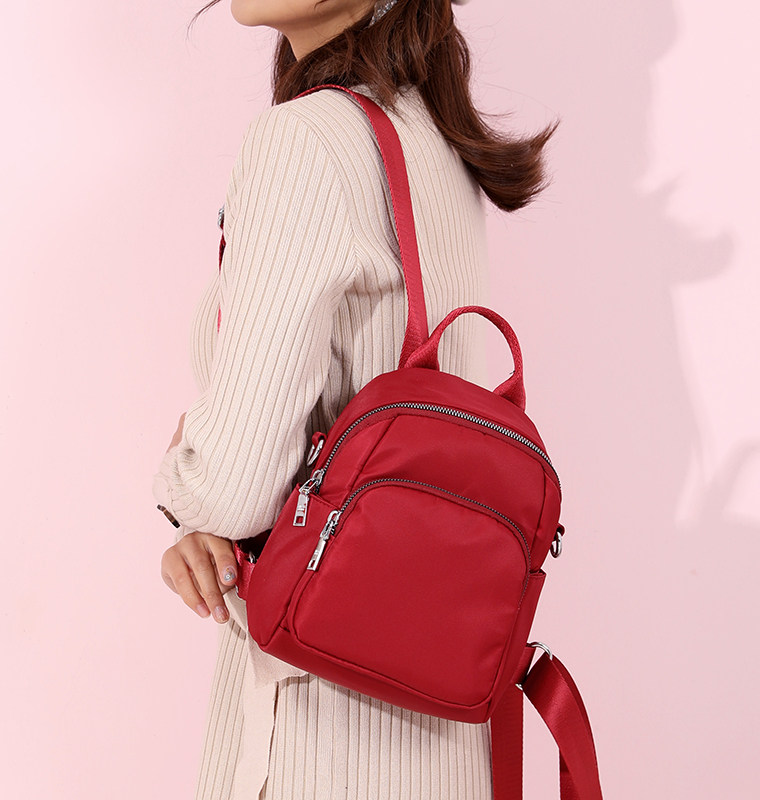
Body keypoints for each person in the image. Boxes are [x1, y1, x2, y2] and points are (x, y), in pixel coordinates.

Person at [154, 1, 558, 797]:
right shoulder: (430, 136)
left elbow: (234, 487)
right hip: (443, 739)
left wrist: (184, 484)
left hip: (317, 735)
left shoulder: (304, 140)